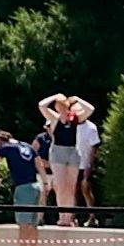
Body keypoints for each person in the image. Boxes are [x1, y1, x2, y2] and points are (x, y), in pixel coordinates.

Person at [38, 94, 97, 225]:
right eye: (58, 106)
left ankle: (68, 217)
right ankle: (62, 216)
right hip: (58, 152)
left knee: (70, 187)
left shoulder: (75, 118)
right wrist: (54, 96)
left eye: (62, 105)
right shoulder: (54, 118)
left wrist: (77, 99)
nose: (60, 108)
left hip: (72, 151)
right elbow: (41, 105)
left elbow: (90, 109)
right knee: (61, 186)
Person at [0, 130, 43, 246]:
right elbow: (38, 163)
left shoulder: (7, 147)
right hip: (35, 185)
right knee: (33, 224)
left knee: (23, 223)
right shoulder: (26, 145)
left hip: (23, 188)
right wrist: (44, 183)